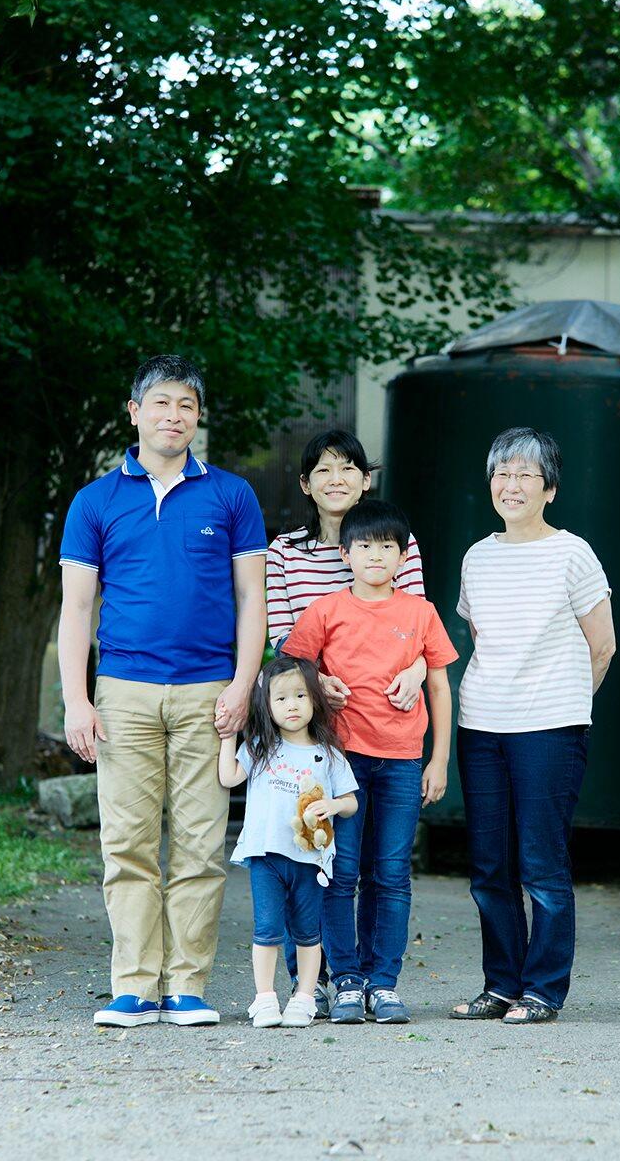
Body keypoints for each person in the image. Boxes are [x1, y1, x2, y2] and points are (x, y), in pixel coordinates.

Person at [58, 354, 267, 1029]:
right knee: (128, 844)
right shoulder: (95, 501)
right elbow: (76, 610)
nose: (173, 416)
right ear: (135, 412)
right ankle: (134, 986)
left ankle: (187, 986)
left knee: (203, 845)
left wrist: (243, 686)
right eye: (161, 404)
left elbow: (250, 600)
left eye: (186, 405)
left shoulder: (232, 495)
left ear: (198, 418)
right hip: (123, 693)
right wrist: (76, 698)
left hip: (210, 692)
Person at [449, 427, 616, 1026]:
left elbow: (603, 645)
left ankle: (543, 988)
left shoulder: (573, 553)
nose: (510, 485)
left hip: (550, 727)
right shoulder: (477, 556)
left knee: (542, 864)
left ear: (549, 488)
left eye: (524, 475)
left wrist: (562, 702)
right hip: (482, 725)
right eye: (501, 473)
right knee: (489, 866)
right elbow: (480, 640)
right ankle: (501, 984)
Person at [265, 428, 430, 1012]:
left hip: (388, 731)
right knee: (314, 852)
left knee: (382, 866)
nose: (337, 480)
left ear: (366, 478)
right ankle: (311, 979)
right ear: (307, 484)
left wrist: (415, 671)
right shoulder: (286, 552)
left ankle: (369, 981)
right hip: (317, 731)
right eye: (323, 470)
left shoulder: (395, 543)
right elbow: (282, 639)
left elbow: (418, 632)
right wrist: (316, 683)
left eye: (349, 468)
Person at [281, 499, 457, 1025]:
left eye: (387, 547)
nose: (375, 556)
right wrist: (319, 683)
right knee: (341, 872)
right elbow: (292, 667)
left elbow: (442, 686)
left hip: (403, 761)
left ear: (404, 556)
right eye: (364, 546)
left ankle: (384, 982)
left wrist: (440, 759)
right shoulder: (327, 611)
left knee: (392, 874)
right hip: (340, 762)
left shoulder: (419, 612)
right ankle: (347, 980)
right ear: (346, 552)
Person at [218, 656, 359, 1028]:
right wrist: (228, 735)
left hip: (309, 858)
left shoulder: (327, 753)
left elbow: (351, 802)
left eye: (299, 695)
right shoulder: (261, 747)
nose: (291, 705)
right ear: (266, 706)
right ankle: (264, 998)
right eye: (280, 699)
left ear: (315, 699)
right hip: (266, 856)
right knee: (266, 929)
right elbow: (230, 777)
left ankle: (304, 997)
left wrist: (333, 803)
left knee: (308, 931)